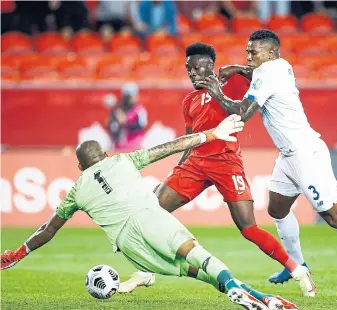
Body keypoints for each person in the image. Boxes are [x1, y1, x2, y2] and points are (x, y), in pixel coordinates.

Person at [0, 115, 298, 310]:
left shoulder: (76, 190)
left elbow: (48, 229)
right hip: (148, 217)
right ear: (104, 155)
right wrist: (211, 134)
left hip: (128, 247)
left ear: (80, 167)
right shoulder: (123, 161)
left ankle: (259, 298)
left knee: (191, 271)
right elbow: (170, 147)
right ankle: (236, 288)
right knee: (197, 254)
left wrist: (19, 252)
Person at [196, 29, 337, 297]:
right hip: (288, 155)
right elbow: (256, 75)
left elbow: (243, 114)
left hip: (306, 154)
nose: (248, 56)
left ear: (270, 53)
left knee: (334, 216)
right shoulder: (280, 66)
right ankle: (297, 264)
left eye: (253, 52)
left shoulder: (267, 73)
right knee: (278, 209)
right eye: (247, 51)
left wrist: (216, 92)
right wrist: (238, 68)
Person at [154, 42, 315, 297]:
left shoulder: (233, 84)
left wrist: (236, 70)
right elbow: (189, 139)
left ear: (210, 66)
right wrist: (180, 167)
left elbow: (254, 94)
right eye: (188, 69)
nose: (192, 73)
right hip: (196, 163)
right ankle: (149, 269)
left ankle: (297, 270)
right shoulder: (189, 101)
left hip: (227, 163)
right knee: (153, 208)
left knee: (249, 229)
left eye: (197, 68)